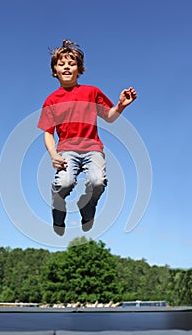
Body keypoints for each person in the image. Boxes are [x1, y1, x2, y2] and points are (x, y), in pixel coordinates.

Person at [37, 39, 137, 236]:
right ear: (54, 70)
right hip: (66, 150)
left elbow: (109, 117)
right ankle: (58, 205)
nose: (66, 66)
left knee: (97, 181)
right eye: (61, 64)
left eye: (72, 63)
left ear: (79, 69)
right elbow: (48, 132)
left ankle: (87, 205)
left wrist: (121, 105)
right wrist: (53, 154)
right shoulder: (51, 100)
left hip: (93, 148)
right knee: (64, 183)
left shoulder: (91, 92)